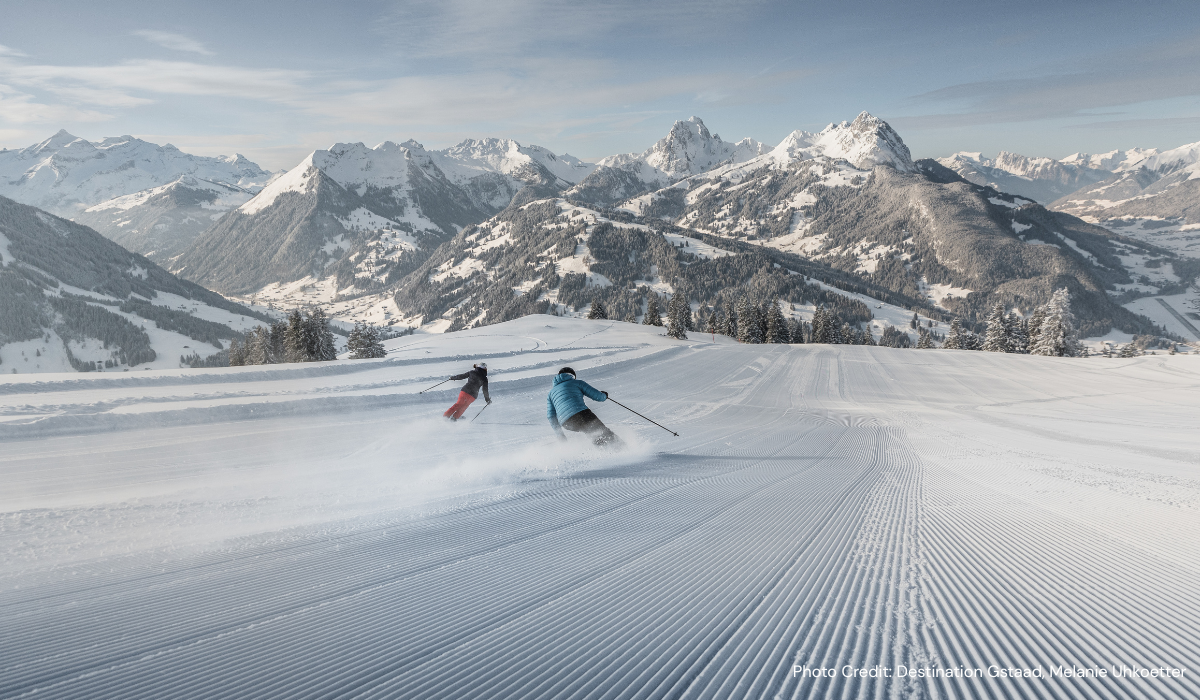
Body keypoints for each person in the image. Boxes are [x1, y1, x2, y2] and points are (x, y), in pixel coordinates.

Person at [547, 366, 620, 446]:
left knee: (593, 433)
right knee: (602, 431)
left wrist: (559, 434)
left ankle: (606, 452)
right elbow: (597, 396)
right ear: (572, 376)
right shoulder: (577, 383)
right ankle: (621, 448)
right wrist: (604, 395)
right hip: (581, 414)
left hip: (566, 423)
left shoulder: (550, 394)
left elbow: (551, 416)